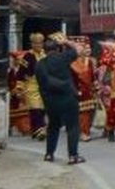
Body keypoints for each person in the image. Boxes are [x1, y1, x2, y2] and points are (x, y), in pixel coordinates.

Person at [36, 33, 85, 165]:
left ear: (44, 51)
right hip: (68, 98)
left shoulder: (40, 64)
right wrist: (66, 41)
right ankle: (73, 156)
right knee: (73, 127)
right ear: (58, 48)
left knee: (53, 126)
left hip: (51, 102)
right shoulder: (64, 57)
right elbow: (80, 49)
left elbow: (41, 85)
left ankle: (49, 154)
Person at [19, 32, 48, 140]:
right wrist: (19, 88)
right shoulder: (28, 56)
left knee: (43, 108)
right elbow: (21, 73)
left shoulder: (46, 54)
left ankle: (36, 130)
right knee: (35, 108)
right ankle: (39, 130)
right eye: (35, 43)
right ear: (32, 44)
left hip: (45, 85)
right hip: (32, 85)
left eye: (40, 43)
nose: (38, 45)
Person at [71, 36, 100, 142]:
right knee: (80, 113)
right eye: (82, 47)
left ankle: (85, 130)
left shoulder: (90, 61)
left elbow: (93, 76)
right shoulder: (72, 62)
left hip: (89, 90)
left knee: (89, 112)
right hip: (76, 90)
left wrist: (96, 86)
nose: (84, 50)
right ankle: (81, 131)